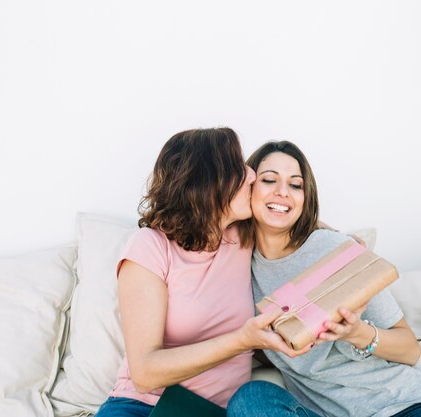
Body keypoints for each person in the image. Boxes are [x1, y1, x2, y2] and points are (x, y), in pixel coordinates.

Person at [229, 141, 421, 417]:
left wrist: (357, 333)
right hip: (323, 412)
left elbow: (410, 350)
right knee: (250, 399)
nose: (282, 192)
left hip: (403, 405)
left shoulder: (336, 251)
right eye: (269, 180)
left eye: (295, 185)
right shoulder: (237, 265)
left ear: (306, 197)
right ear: (249, 188)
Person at [94, 129, 306, 417]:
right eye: (238, 166)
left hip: (213, 411)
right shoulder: (151, 247)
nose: (252, 175)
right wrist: (242, 341)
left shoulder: (242, 236)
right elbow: (144, 373)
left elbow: (293, 219)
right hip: (141, 407)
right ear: (209, 180)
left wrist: (345, 246)